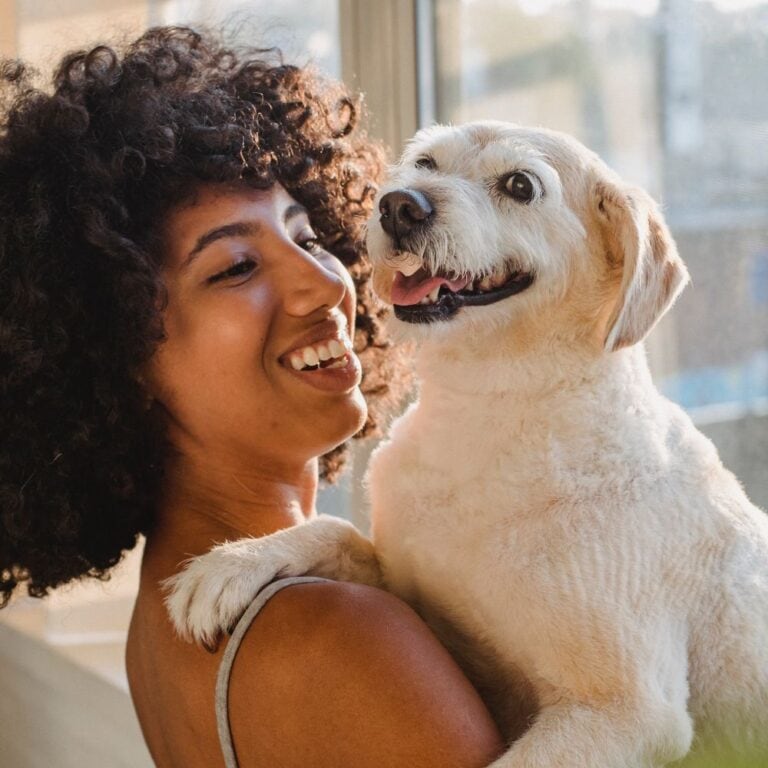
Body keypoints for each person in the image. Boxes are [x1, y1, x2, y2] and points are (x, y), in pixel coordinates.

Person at [0, 26, 506, 767]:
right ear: (114, 358)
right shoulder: (336, 635)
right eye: (235, 268)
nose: (326, 282)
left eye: (306, 236)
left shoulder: (171, 616)